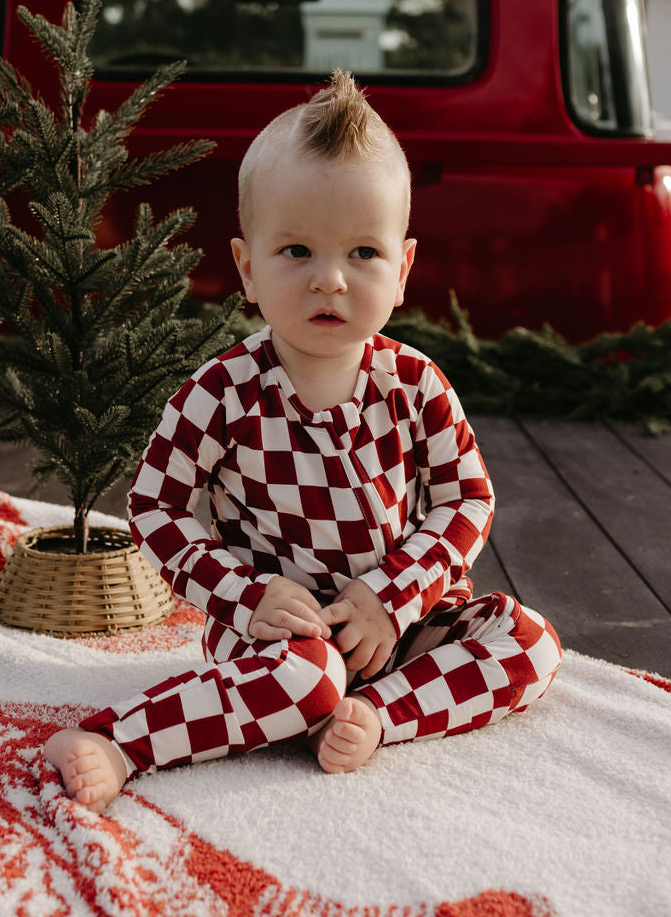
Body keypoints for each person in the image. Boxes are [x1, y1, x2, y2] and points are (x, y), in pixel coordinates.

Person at [45, 70, 561, 813]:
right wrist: (246, 594)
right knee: (308, 677)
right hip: (274, 644)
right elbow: (156, 505)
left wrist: (393, 595)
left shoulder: (414, 383)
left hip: (394, 628)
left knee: (529, 638)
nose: (329, 280)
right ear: (248, 268)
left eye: (361, 253)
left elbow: (466, 498)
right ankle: (118, 741)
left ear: (403, 268)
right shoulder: (222, 392)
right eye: (296, 252)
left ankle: (378, 716)